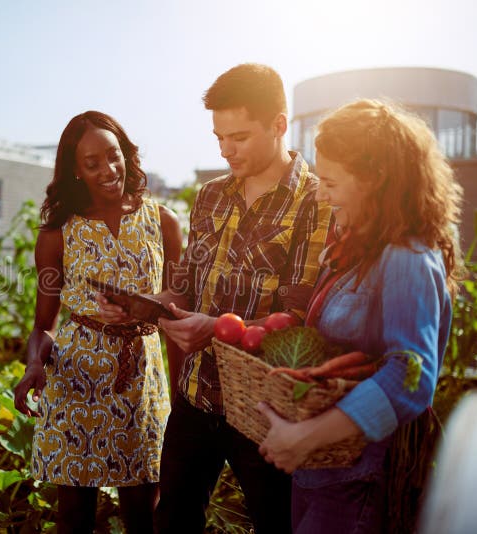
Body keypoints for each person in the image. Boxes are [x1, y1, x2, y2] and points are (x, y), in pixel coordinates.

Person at [100, 63, 331, 533]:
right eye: (218, 137)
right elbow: (185, 283)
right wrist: (146, 304)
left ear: (279, 125)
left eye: (239, 137)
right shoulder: (210, 196)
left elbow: (300, 317)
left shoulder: (316, 201)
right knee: (173, 522)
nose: (226, 150)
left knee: (276, 524)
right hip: (195, 394)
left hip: (263, 407)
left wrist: (220, 329)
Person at [255, 99, 464, 534]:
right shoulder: (350, 251)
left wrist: (304, 437)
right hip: (321, 471)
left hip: (360, 480)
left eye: (329, 181)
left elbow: (411, 377)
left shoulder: (407, 257)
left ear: (374, 180)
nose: (318, 192)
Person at [13, 110, 183, 534]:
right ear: (75, 170)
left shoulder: (162, 222)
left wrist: (182, 399)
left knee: (144, 513)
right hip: (75, 381)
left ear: (126, 153)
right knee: (74, 518)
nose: (108, 170)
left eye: (114, 155)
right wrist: (35, 364)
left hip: (141, 379)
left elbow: (181, 306)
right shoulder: (57, 233)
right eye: (93, 163)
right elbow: (43, 324)